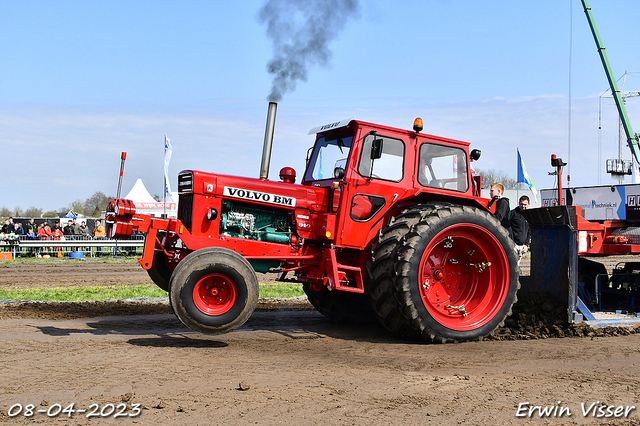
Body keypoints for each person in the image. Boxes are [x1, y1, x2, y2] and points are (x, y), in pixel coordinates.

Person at [510, 195, 531, 263]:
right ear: (519, 203)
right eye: (521, 204)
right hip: (513, 244)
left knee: (517, 264)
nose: (523, 206)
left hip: (522, 246)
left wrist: (526, 245)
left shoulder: (529, 215)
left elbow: (529, 231)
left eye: (525, 204)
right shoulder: (513, 213)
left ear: (528, 204)